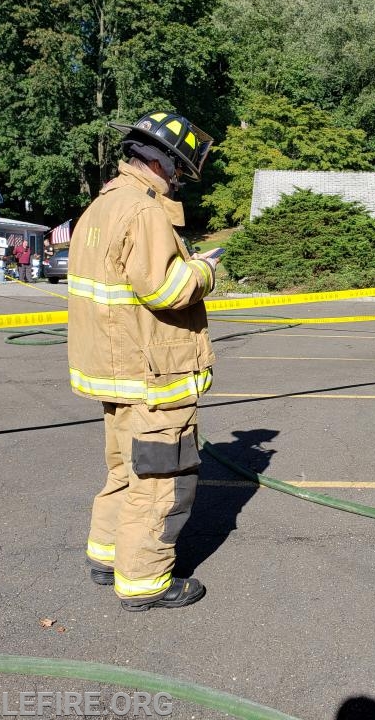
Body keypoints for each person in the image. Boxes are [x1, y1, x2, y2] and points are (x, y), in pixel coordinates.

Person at [67, 110, 218, 611]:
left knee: (122, 471)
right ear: (163, 164)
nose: (178, 183)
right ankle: (145, 581)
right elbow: (166, 289)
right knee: (158, 480)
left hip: (117, 373)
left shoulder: (102, 206)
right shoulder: (144, 211)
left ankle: (106, 554)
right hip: (154, 374)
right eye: (178, 173)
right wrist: (203, 270)